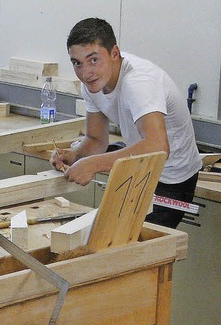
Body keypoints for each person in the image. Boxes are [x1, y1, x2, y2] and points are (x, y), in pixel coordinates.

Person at [51, 17, 202, 230]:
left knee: (133, 249)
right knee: (112, 237)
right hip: (139, 167)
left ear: (114, 53)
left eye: (93, 60)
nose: (85, 72)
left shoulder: (138, 82)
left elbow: (158, 147)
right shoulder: (93, 81)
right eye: (77, 63)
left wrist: (93, 164)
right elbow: (96, 139)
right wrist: (76, 155)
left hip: (171, 178)